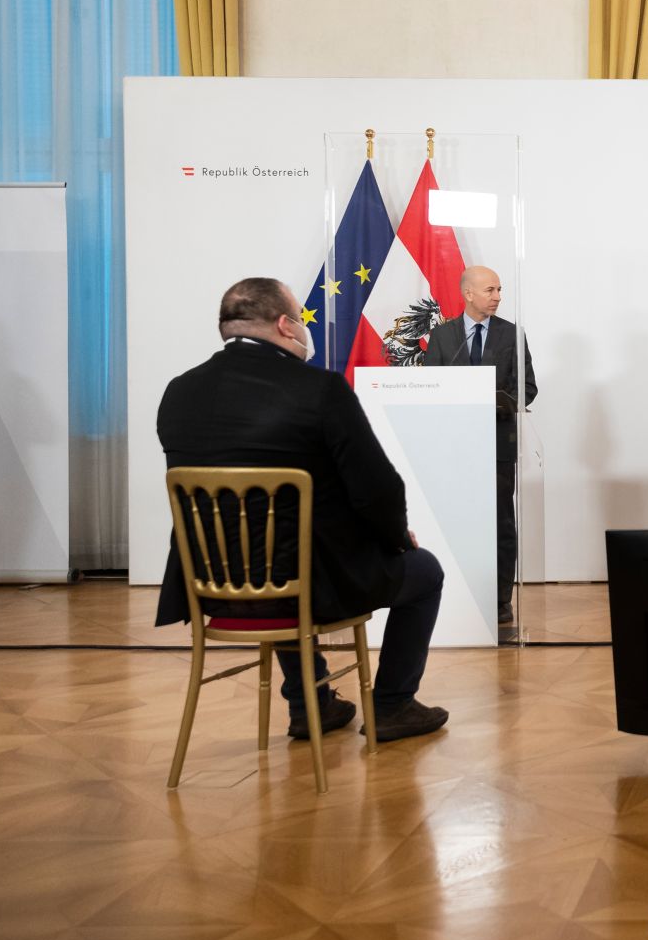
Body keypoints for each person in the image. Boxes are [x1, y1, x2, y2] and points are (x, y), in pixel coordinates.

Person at [156, 277, 449, 742]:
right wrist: (396, 538)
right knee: (425, 571)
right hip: (310, 584)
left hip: (215, 583)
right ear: (285, 325)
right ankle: (392, 705)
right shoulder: (319, 390)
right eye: (300, 316)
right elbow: (378, 490)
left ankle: (309, 701)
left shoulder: (178, 392)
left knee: (275, 557)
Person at [423, 265, 538, 625]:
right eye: (490, 290)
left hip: (497, 447)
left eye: (500, 290)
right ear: (468, 293)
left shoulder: (512, 335)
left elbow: (528, 388)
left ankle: (500, 600)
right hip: (454, 448)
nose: (498, 297)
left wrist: (501, 399)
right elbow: (429, 386)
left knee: (500, 525)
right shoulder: (443, 337)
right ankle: (457, 595)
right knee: (456, 521)